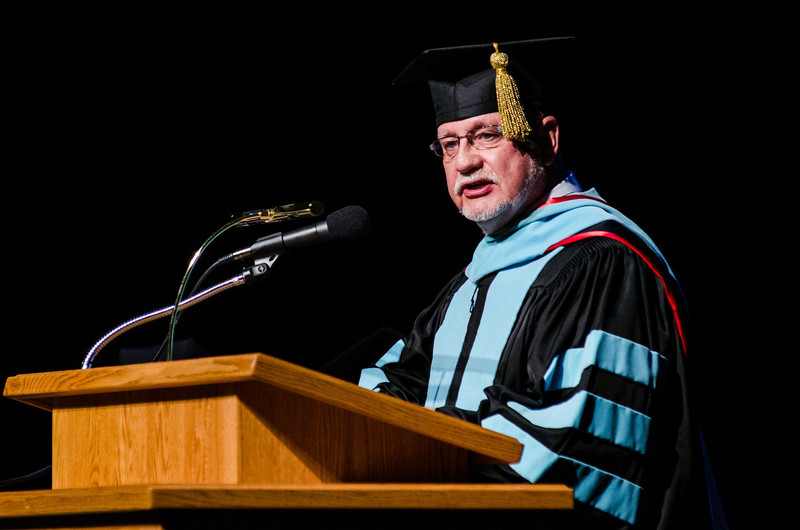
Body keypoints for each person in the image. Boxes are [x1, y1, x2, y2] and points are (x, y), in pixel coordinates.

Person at [357, 39, 717, 529]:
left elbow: (566, 452)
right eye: (449, 143)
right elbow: (396, 384)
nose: (464, 162)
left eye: (486, 135)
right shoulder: (468, 284)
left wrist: (411, 455)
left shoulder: (602, 263)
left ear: (546, 138)